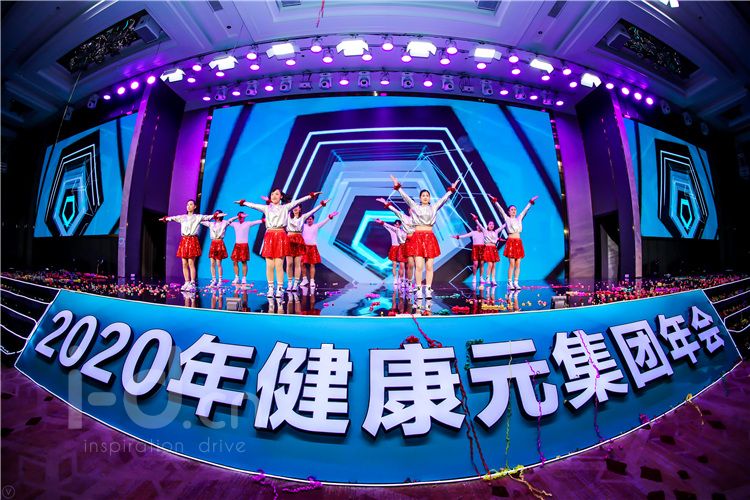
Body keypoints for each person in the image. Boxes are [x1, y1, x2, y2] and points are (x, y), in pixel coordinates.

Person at [236, 189, 322, 297]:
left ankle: (279, 289)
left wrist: (311, 195)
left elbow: (299, 201)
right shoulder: (266, 208)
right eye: (272, 194)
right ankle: (271, 288)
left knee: (278, 265)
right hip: (269, 236)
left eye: (276, 194)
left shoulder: (285, 208)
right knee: (269, 265)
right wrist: (244, 203)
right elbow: (254, 205)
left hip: (280, 235)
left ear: (281, 196)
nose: (274, 196)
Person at [388, 175, 460, 299]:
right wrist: (398, 187)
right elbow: (406, 198)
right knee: (419, 266)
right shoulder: (415, 207)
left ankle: (428, 289)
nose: (425, 197)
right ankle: (418, 289)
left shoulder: (434, 207)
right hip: (417, 238)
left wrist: (451, 190)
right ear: (420, 198)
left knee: (429, 266)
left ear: (429, 198)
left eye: (427, 195)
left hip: (429, 238)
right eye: (423, 195)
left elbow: (444, 199)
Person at [160, 200, 220, 291]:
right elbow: (173, 218)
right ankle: (186, 282)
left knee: (191, 263)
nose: (188, 206)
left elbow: (208, 217)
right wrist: (165, 219)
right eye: (187, 204)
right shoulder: (182, 217)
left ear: (195, 206)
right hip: (184, 240)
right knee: (184, 263)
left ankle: (192, 282)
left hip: (192, 239)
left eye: (191, 204)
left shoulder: (198, 217)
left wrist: (216, 215)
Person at [488, 194, 538, 289]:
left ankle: (516, 282)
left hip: (518, 242)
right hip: (511, 242)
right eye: (512, 210)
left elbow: (525, 210)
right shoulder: (507, 219)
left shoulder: (519, 218)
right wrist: (495, 201)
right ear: (509, 211)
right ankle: (509, 282)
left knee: (518, 264)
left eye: (515, 209)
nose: (514, 211)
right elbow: (500, 209)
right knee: (512, 263)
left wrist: (530, 202)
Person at [286, 199, 329, 291]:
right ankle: (290, 283)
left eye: (297, 206)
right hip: (289, 239)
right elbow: (281, 209)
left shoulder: (303, 217)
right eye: (293, 206)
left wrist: (321, 204)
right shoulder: (288, 216)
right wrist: (270, 203)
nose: (295, 208)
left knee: (298, 263)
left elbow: (313, 211)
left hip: (299, 241)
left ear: (300, 209)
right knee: (289, 263)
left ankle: (296, 284)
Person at [375, 198, 416, 291]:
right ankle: (400, 280)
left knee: (410, 266)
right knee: (401, 265)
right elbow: (395, 212)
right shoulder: (402, 221)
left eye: (414, 209)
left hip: (412, 245)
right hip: (401, 246)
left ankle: (409, 282)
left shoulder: (418, 220)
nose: (412, 211)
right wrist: (385, 204)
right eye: (410, 209)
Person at [300, 210, 339, 288]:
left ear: (313, 220)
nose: (309, 220)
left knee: (312, 264)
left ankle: (312, 280)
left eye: (310, 219)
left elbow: (324, 222)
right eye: (308, 219)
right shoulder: (303, 226)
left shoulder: (316, 226)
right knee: (302, 264)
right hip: (304, 247)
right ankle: (304, 279)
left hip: (312, 247)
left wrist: (330, 216)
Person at [228, 212, 264, 285]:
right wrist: (237, 217)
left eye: (242, 216)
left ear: (244, 217)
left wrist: (266, 219)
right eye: (239, 216)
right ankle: (236, 277)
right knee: (235, 262)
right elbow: (228, 222)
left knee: (244, 262)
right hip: (237, 245)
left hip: (244, 245)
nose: (240, 218)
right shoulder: (235, 224)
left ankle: (244, 278)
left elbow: (258, 221)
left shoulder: (248, 223)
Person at [470, 214, 506, 286]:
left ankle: (493, 279)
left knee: (494, 265)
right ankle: (487, 278)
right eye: (490, 224)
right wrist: (475, 218)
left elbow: (503, 226)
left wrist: (508, 220)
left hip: (494, 249)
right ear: (487, 225)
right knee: (490, 264)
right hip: (488, 249)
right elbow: (479, 224)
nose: (491, 225)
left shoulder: (496, 232)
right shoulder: (485, 231)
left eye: (493, 224)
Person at [200, 210, 232, 287]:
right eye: (215, 214)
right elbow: (200, 221)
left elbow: (231, 220)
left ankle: (220, 280)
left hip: (219, 243)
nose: (216, 215)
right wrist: (211, 216)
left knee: (218, 263)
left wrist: (238, 216)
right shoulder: (211, 224)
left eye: (218, 214)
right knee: (212, 263)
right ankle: (214, 280)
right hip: (213, 243)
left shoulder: (224, 223)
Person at [375, 218, 407, 286]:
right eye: (395, 224)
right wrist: (381, 222)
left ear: (400, 225)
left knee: (402, 265)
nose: (396, 225)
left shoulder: (403, 231)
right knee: (394, 265)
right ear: (394, 224)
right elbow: (386, 226)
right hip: (394, 248)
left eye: (398, 224)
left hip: (401, 248)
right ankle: (395, 279)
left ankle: (400, 279)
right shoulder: (391, 230)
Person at [452, 221, 486, 285]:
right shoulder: (473, 232)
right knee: (475, 264)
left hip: (482, 249)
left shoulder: (484, 233)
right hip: (475, 249)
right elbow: (465, 235)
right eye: (478, 226)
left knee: (481, 264)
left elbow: (489, 237)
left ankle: (481, 277)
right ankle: (474, 277)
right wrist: (458, 237)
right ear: (476, 227)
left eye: (480, 226)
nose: (479, 227)